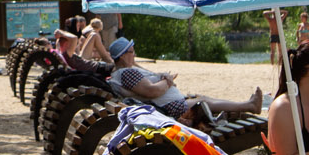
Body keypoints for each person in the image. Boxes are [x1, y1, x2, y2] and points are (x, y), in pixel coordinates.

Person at [106, 43, 263, 123]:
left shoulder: (124, 73)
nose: (134, 55)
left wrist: (164, 80)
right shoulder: (126, 73)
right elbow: (151, 91)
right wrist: (167, 81)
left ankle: (248, 104)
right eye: (132, 52)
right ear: (122, 56)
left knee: (202, 98)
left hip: (168, 106)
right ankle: (249, 106)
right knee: (204, 101)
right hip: (171, 109)